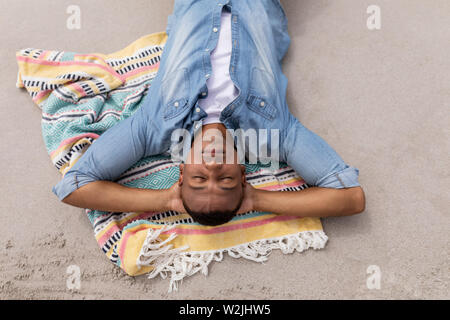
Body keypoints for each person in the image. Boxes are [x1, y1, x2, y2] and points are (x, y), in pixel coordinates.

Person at [52, 0, 365, 226]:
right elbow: (350, 197)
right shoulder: (276, 134)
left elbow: (75, 186)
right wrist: (257, 200)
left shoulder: (151, 127)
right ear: (243, 175)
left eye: (200, 177)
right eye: (226, 179)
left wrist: (165, 201)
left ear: (182, 172)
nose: (212, 163)